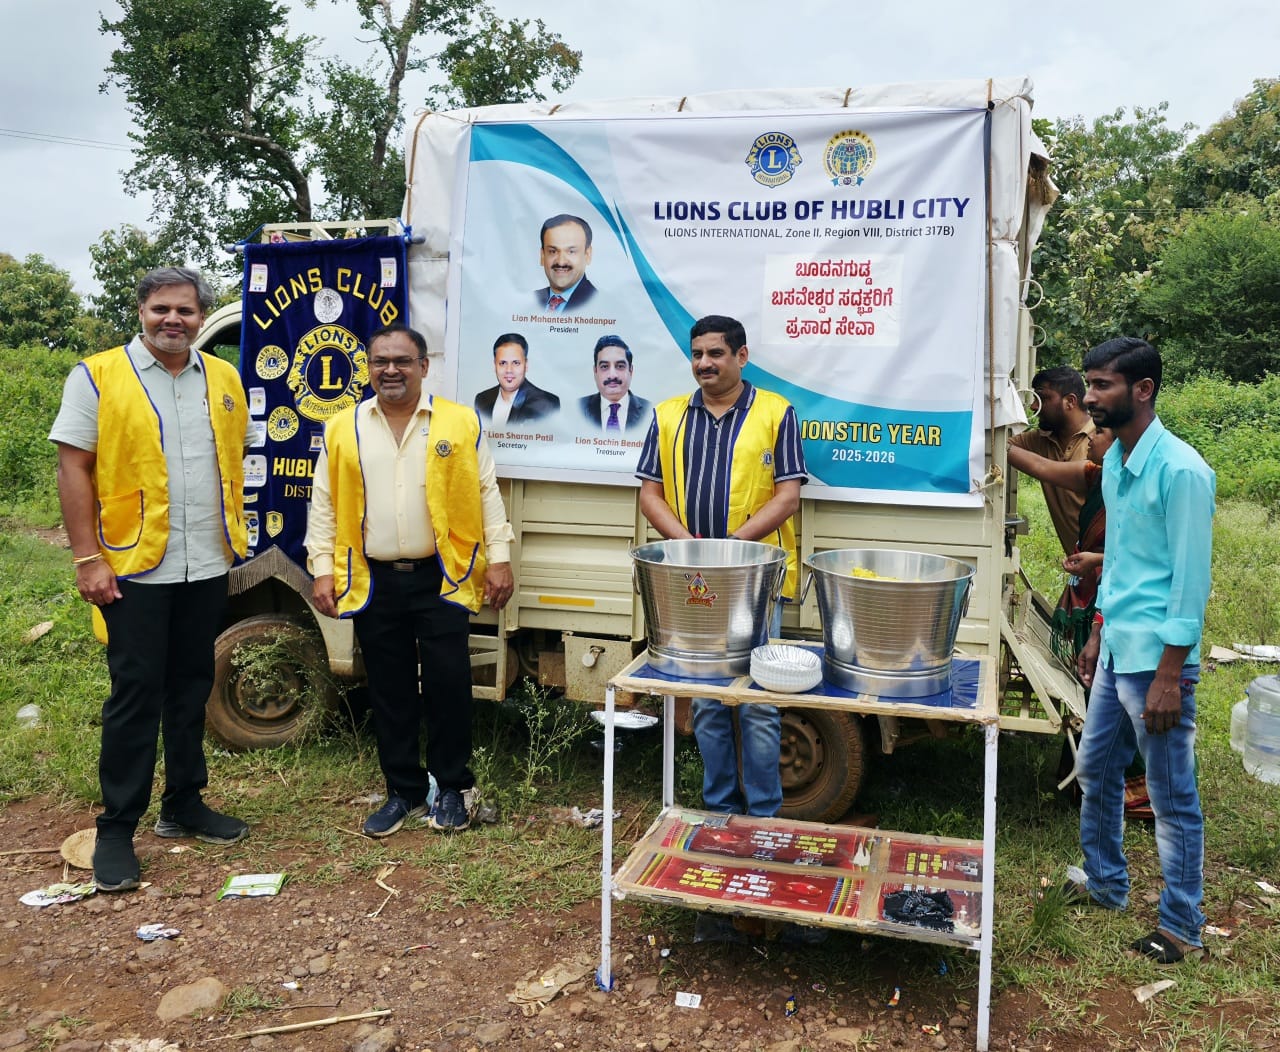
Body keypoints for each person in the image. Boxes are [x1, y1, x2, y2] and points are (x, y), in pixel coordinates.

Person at [48, 267, 252, 893]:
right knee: (136, 694)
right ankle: (116, 828)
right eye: (161, 308)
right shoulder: (97, 376)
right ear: (140, 310)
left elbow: (233, 460)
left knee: (192, 685)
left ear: (200, 317)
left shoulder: (223, 378)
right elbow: (74, 467)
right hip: (133, 568)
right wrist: (89, 558)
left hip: (206, 563)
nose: (173, 320)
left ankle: (184, 804)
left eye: (186, 311)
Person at [306, 324, 515, 837]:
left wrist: (501, 557)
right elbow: (325, 504)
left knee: (448, 684)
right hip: (373, 579)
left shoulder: (458, 422)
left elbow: (485, 490)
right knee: (389, 688)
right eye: (380, 361)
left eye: (402, 360)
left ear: (424, 366)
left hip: (441, 575)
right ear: (369, 368)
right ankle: (402, 791)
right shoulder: (344, 427)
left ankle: (452, 787)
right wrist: (320, 570)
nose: (391, 370)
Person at [1069, 337, 1215, 965]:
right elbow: (1127, 563)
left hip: (1158, 664)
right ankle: (1105, 883)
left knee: (1170, 795)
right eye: (1089, 384)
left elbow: (1188, 582)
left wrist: (1169, 675)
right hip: (1116, 649)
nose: (1089, 397)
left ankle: (1181, 925)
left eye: (1102, 385)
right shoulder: (1122, 463)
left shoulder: (1181, 471)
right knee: (1095, 770)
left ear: (1143, 389)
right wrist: (1099, 630)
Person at [635, 315, 807, 819]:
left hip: (755, 582)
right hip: (694, 580)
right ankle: (720, 810)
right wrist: (692, 548)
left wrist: (730, 549)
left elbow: (788, 496)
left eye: (715, 354)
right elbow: (650, 494)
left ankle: (763, 816)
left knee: (758, 703)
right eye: (697, 355)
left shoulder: (776, 413)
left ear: (741, 356)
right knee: (707, 701)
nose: (704, 364)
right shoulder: (669, 416)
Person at [1008, 426, 1114, 665]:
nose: (1090, 438)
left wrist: (1097, 560)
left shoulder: (1137, 488)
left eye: (1099, 432)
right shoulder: (1096, 475)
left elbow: (1145, 555)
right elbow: (1041, 467)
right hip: (1091, 594)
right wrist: (994, 445)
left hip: (1115, 600)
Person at [1010, 366, 1096, 556]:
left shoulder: (1101, 441)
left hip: (1109, 564)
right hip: (1080, 565)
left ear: (1070, 401)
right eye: (1034, 399)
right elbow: (998, 444)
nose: (1034, 406)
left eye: (1043, 398)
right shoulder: (1042, 440)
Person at [473, 333, 560, 427]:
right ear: (495, 365)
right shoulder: (482, 399)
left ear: (526, 365)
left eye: (516, 363)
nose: (509, 370)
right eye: (502, 363)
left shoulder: (547, 404)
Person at [578, 335, 652, 433]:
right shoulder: (578, 408)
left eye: (620, 366)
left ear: (631, 370)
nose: (612, 375)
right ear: (595, 371)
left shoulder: (650, 411)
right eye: (604, 366)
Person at [534, 214, 596, 313]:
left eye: (571, 251)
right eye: (553, 251)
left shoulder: (604, 306)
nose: (561, 262)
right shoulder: (528, 302)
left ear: (587, 255)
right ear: (542, 256)